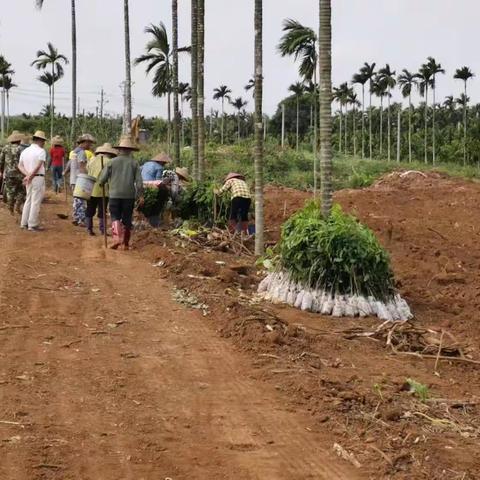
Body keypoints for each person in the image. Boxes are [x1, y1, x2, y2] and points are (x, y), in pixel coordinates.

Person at [98, 136, 143, 250]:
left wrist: (101, 183)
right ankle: (125, 243)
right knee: (127, 218)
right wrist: (140, 194)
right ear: (130, 151)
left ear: (119, 150)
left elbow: (102, 179)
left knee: (115, 216)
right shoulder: (134, 163)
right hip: (129, 196)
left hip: (114, 194)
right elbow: (139, 182)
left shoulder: (112, 162)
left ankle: (117, 238)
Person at [18, 130, 47, 232]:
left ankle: (24, 223)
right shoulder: (41, 151)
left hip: (29, 178)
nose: (44, 143)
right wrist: (30, 175)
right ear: (39, 140)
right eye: (43, 140)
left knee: (28, 199)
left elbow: (20, 165)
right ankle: (32, 224)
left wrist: (27, 175)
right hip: (37, 177)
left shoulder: (25, 151)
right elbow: (38, 165)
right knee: (35, 201)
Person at [85, 143, 117, 236]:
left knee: (90, 209)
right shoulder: (109, 161)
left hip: (90, 187)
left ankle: (89, 228)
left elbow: (88, 170)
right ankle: (102, 230)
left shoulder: (92, 160)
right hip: (103, 189)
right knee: (102, 210)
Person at [65, 133, 96, 226]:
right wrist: (88, 177)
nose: (90, 146)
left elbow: (69, 164)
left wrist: (65, 172)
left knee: (76, 200)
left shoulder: (74, 152)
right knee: (81, 200)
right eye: (89, 143)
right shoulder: (82, 152)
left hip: (73, 179)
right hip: (80, 180)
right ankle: (81, 220)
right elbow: (82, 167)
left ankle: (76, 217)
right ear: (84, 142)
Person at [0, 131, 25, 215]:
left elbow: (1, 161)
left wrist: (1, 171)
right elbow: (24, 162)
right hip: (20, 174)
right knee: (22, 191)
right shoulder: (21, 149)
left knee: (10, 192)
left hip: (9, 174)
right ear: (19, 140)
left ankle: (10, 207)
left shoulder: (5, 148)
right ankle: (18, 205)